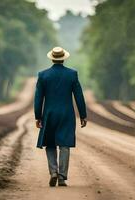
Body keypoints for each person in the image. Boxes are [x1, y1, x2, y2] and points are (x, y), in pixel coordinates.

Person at [34, 47, 87, 187]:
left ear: (52, 58)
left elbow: (38, 98)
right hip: (66, 114)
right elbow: (79, 96)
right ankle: (62, 176)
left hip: (49, 114)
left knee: (50, 143)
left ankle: (53, 172)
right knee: (64, 144)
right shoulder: (72, 74)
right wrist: (83, 115)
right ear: (64, 58)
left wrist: (37, 116)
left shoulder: (43, 75)